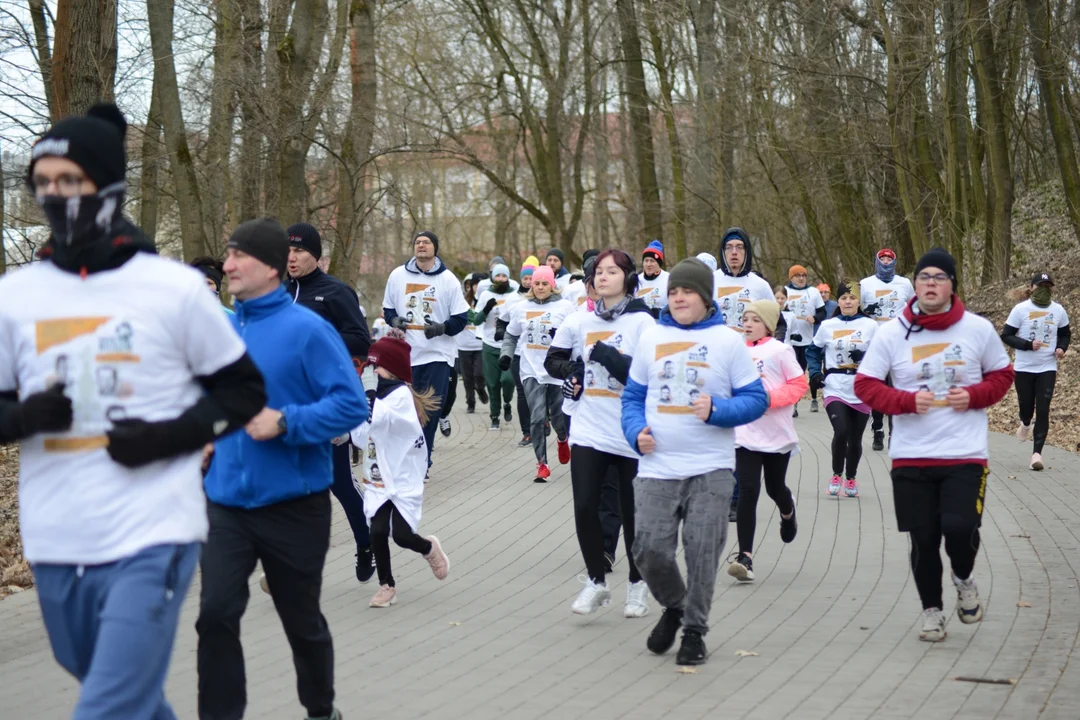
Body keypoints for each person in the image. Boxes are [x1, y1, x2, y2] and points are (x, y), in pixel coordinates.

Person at [4, 103, 266, 720]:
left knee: (107, 706)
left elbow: (243, 391)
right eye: (43, 184)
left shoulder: (171, 289)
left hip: (153, 528)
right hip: (56, 533)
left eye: (70, 181)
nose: (55, 196)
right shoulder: (15, 297)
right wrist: (25, 416)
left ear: (110, 186)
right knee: (119, 690)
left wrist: (165, 436)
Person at [197, 219, 365, 720]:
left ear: (269, 267)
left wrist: (288, 421)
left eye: (236, 256)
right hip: (225, 503)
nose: (226, 265)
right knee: (215, 616)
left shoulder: (308, 330)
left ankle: (321, 711)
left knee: (301, 622)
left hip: (295, 505)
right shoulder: (218, 331)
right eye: (226, 256)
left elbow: (351, 405)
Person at [854, 248, 1013, 642]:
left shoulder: (977, 329)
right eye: (924, 276)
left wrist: (973, 396)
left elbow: (1002, 375)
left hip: (965, 452)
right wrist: (905, 402)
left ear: (951, 285)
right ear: (915, 284)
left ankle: (963, 577)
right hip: (911, 454)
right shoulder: (893, 333)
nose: (930, 283)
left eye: (939, 277)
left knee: (960, 529)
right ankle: (932, 612)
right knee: (924, 540)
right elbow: (866, 383)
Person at [621, 258, 768, 665]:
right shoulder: (651, 337)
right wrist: (635, 432)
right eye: (673, 292)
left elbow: (757, 399)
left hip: (711, 468)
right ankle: (675, 605)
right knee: (648, 549)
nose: (679, 297)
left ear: (705, 297)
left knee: (702, 551)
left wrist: (718, 409)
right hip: (657, 467)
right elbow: (632, 398)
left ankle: (695, 631)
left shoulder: (728, 341)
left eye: (687, 291)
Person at [546, 249, 654, 618]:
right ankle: (596, 581)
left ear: (628, 277)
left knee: (632, 512)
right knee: (585, 505)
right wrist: (573, 374)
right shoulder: (582, 320)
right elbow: (557, 361)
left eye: (612, 271)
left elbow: (645, 376)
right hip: (589, 426)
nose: (602, 276)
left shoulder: (644, 323)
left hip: (629, 427)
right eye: (598, 272)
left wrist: (606, 355)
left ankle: (638, 586)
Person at [285, 221, 375, 583]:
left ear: (316, 256)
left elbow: (360, 339)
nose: (291, 258)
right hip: (288, 402)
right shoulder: (277, 291)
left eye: (299, 251)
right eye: (288, 252)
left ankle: (367, 541)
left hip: (326, 401)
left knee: (337, 481)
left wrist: (317, 339)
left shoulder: (335, 291)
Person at [352, 330, 450, 608]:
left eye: (376, 366)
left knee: (402, 536)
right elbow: (363, 431)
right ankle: (387, 586)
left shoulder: (400, 396)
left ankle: (428, 548)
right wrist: (345, 429)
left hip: (403, 477)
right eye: (369, 366)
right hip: (378, 477)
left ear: (393, 370)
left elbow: (381, 419)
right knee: (378, 531)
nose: (371, 371)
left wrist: (369, 395)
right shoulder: (372, 395)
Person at [728, 300, 806, 583]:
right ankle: (745, 557)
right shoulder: (735, 350)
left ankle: (788, 512)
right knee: (748, 490)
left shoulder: (780, 350)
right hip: (745, 432)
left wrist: (771, 399)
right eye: (745, 318)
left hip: (775, 432)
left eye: (754, 319)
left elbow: (799, 385)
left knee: (775, 488)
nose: (747, 323)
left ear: (769, 325)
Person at [382, 231, 469, 467]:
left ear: (435, 248)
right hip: (404, 355)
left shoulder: (448, 279)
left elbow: (462, 318)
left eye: (426, 242)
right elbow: (388, 310)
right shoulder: (398, 275)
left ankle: (424, 460)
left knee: (429, 411)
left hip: (437, 355)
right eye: (417, 242)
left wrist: (442, 328)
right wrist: (395, 321)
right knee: (406, 411)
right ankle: (405, 458)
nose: (421, 245)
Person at [501, 266, 574, 481]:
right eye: (537, 283)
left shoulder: (565, 307)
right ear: (531, 285)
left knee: (559, 417)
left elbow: (575, 335)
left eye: (545, 283)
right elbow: (511, 334)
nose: (541, 287)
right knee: (537, 417)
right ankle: (542, 464)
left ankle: (562, 438)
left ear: (553, 285)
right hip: (530, 369)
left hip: (557, 369)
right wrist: (506, 354)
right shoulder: (521, 307)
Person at [807, 279, 878, 498]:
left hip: (861, 387)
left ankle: (851, 478)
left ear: (859, 301)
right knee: (842, 431)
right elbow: (813, 350)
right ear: (839, 300)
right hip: (835, 386)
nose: (848, 302)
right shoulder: (829, 325)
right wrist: (815, 373)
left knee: (855, 439)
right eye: (844, 298)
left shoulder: (870, 325)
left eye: (852, 298)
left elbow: (882, 355)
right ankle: (836, 474)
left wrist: (865, 357)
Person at [1001, 272, 1070, 470]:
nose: (1044, 290)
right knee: (1026, 406)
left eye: (1047, 286)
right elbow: (1006, 335)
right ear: (1031, 288)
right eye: (1040, 286)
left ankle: (1036, 455)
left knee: (1043, 408)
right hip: (1024, 367)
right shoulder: (1020, 309)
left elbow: (1065, 334)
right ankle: (1024, 423)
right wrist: (1028, 344)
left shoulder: (1058, 310)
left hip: (1047, 366)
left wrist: (1061, 348)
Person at [860, 248, 915, 452]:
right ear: (876, 261)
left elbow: (913, 307)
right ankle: (877, 428)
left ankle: (894, 432)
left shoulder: (904, 283)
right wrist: (867, 312)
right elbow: (857, 309)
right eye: (882, 258)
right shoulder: (865, 284)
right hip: (873, 343)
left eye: (889, 259)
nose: (885, 262)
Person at [473, 262, 517, 430]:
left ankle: (507, 402)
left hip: (508, 344)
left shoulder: (514, 295)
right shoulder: (485, 295)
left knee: (507, 380)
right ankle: (495, 416)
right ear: (493, 277)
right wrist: (486, 308)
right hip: (489, 344)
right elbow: (476, 320)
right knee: (492, 383)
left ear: (508, 278)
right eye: (498, 275)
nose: (501, 279)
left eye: (504, 276)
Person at [784, 265, 826, 413]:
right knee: (795, 373)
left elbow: (822, 312)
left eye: (804, 275)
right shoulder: (786, 291)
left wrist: (815, 318)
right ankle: (794, 404)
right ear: (791, 278)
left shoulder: (813, 292)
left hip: (809, 340)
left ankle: (814, 399)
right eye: (797, 275)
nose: (801, 278)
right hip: (791, 341)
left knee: (811, 372)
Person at [714, 228, 772, 329]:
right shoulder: (710, 281)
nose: (734, 252)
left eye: (739, 247)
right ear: (723, 251)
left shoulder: (761, 285)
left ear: (746, 251)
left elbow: (777, 322)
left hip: (750, 344)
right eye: (729, 247)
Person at [509, 259, 538, 444]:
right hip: (518, 354)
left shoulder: (545, 301)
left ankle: (542, 420)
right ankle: (526, 432)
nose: (528, 282)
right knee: (521, 393)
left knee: (538, 391)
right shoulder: (513, 299)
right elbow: (505, 321)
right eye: (525, 278)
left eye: (531, 279)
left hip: (538, 354)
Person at [457, 274, 488, 414]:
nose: (477, 288)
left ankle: (481, 389)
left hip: (480, 345)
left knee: (479, 374)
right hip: (464, 345)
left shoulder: (487, 301)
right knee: (467, 377)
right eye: (475, 285)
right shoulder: (463, 301)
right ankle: (471, 402)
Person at [636, 240, 669, 317]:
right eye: (646, 261)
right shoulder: (637, 280)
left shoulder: (668, 279)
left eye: (652, 261)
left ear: (659, 263)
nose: (648, 264)